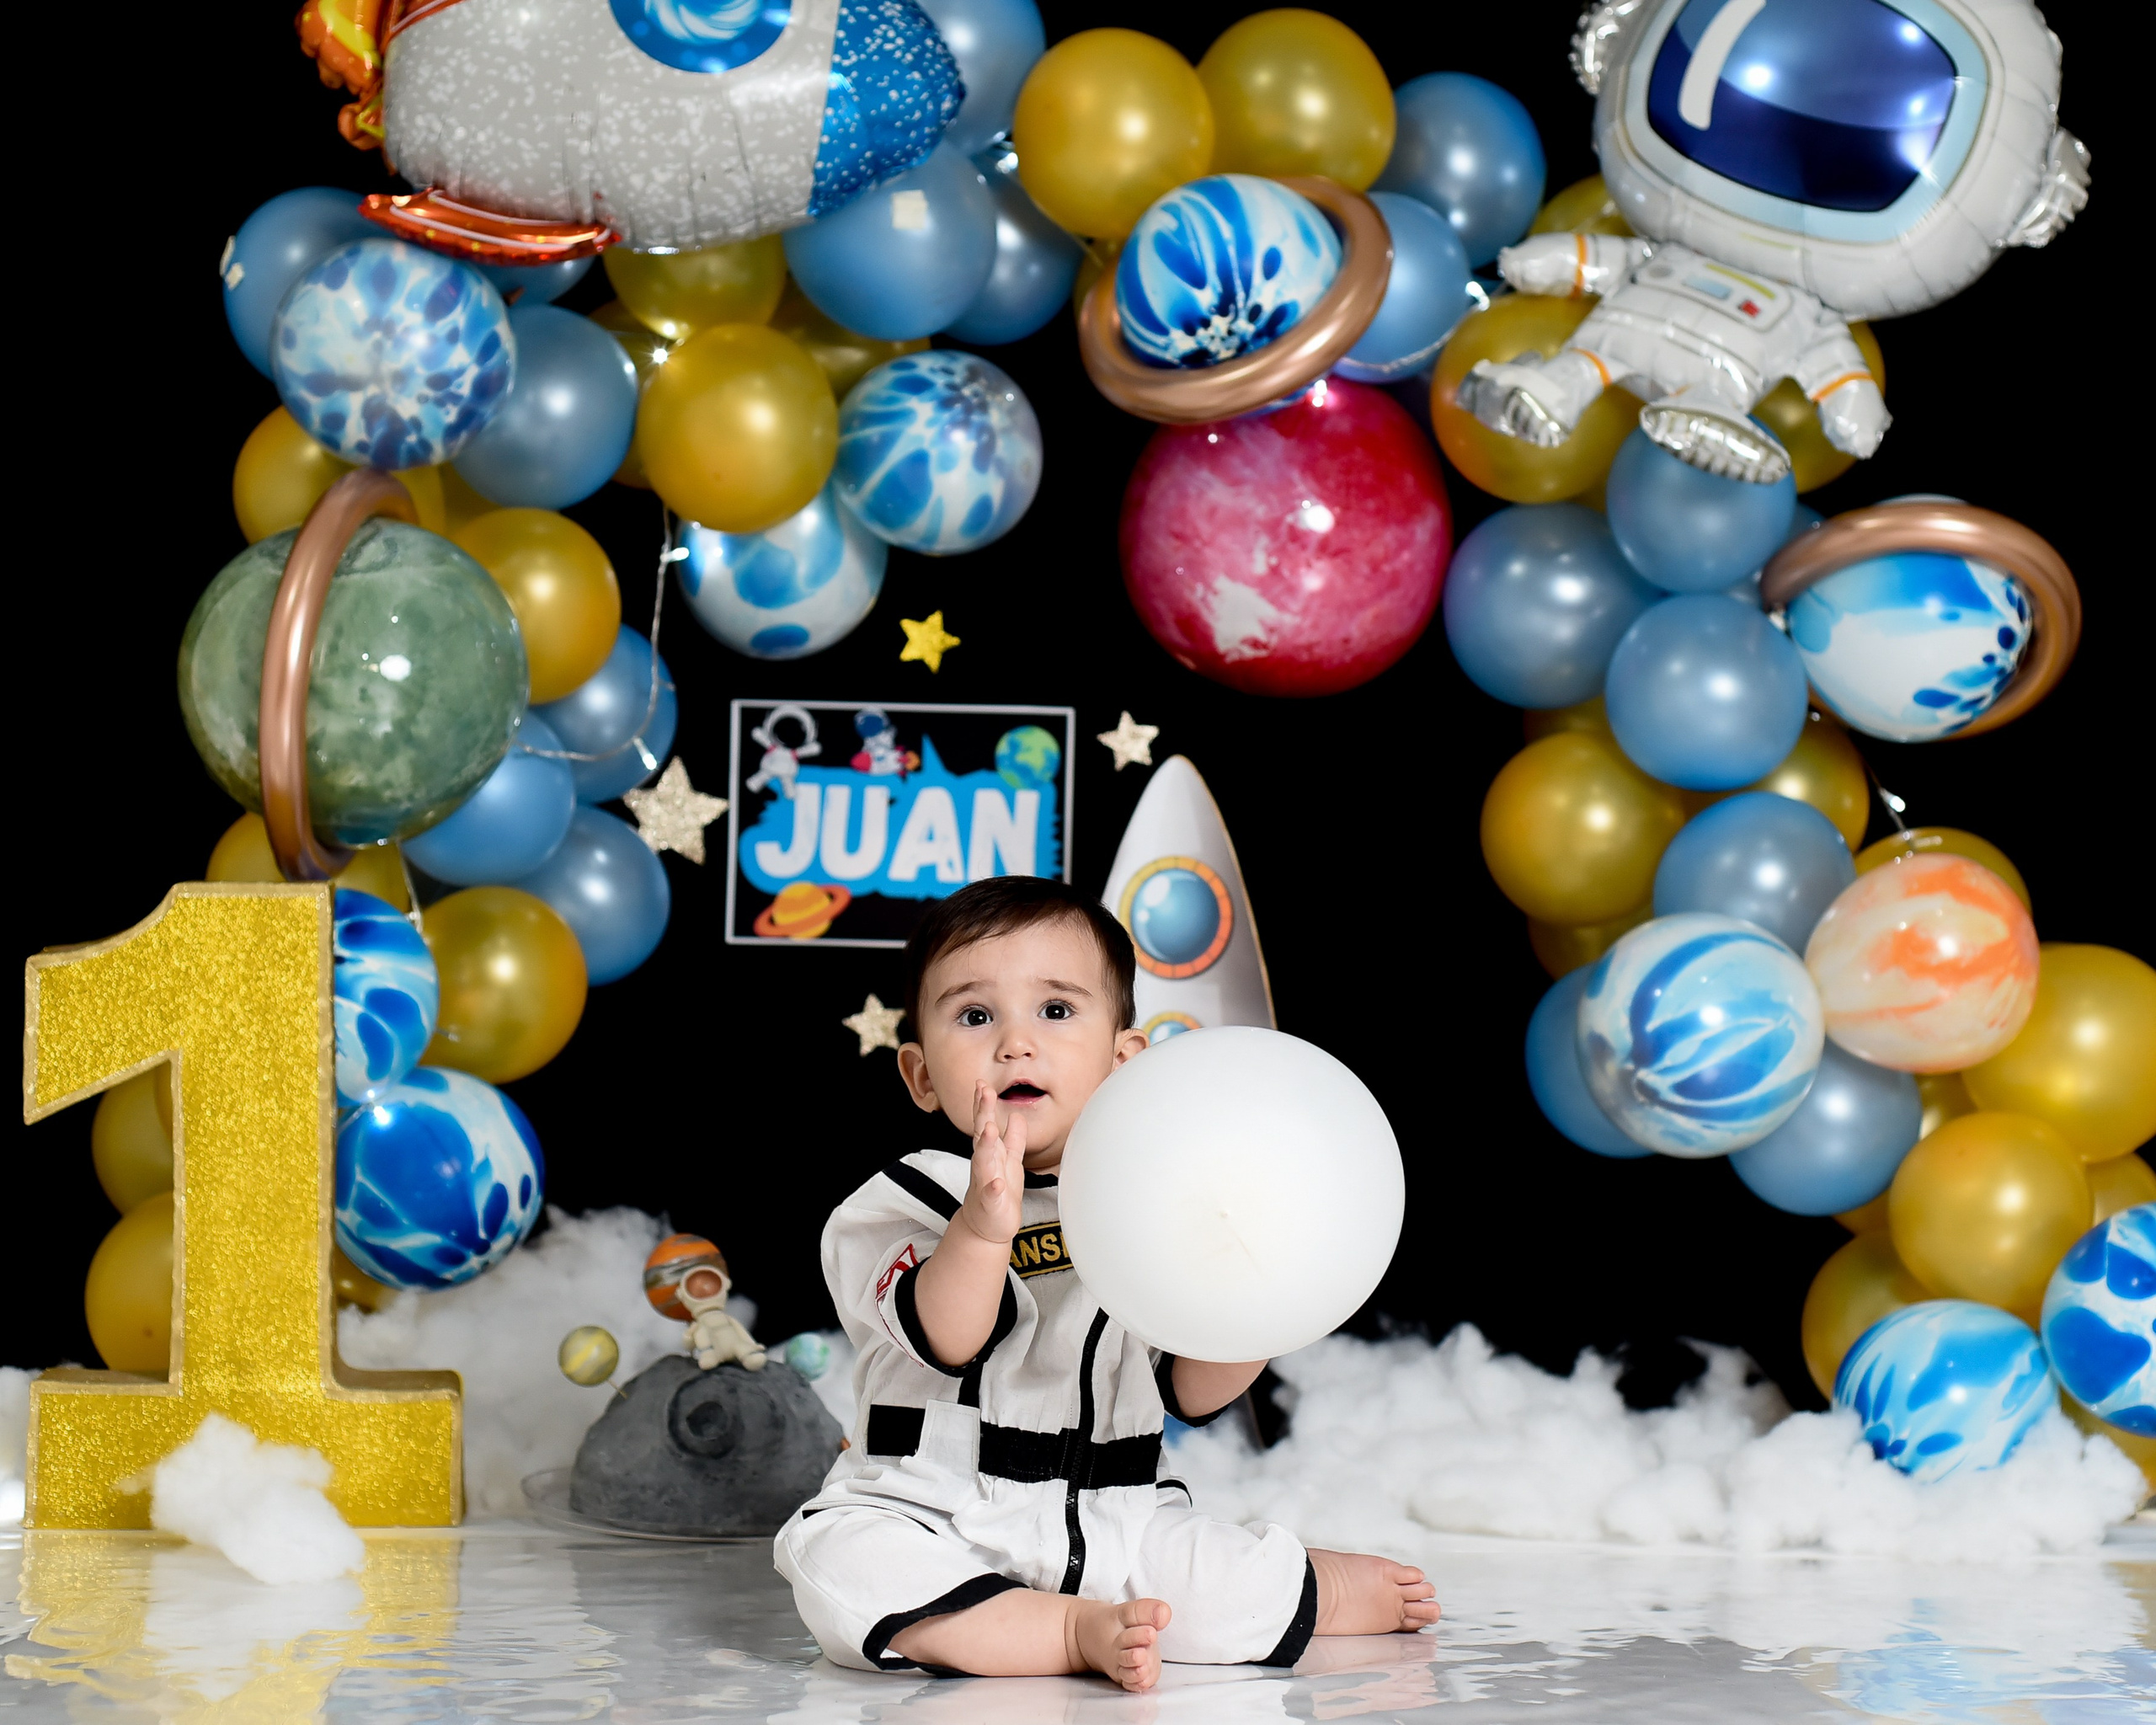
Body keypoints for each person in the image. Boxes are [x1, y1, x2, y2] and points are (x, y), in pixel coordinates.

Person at [773, 877, 1438, 1691]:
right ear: (919, 1074)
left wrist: (1265, 1300)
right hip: (936, 1508)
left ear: (1125, 1058)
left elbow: (1192, 1390)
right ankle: (1062, 1630)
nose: (1016, 1043)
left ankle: (1312, 1585)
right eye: (975, 1016)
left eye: (1056, 1011)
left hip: (1114, 1517)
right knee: (841, 1563)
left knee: (1211, 1584)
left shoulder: (1155, 1201)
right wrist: (985, 1225)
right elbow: (947, 1336)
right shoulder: (905, 1202)